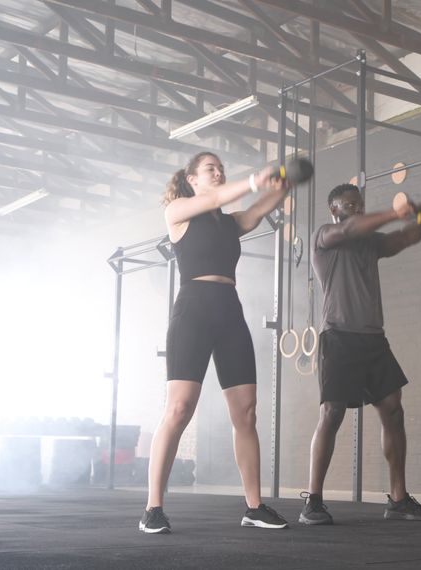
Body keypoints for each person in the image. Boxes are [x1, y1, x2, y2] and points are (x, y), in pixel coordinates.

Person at [140, 152, 291, 534]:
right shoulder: (179, 211)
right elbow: (216, 199)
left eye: (222, 166)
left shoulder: (228, 223)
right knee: (179, 409)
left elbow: (256, 212)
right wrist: (257, 179)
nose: (220, 171)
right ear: (192, 179)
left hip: (229, 311)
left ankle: (254, 507)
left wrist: (284, 183)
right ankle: (152, 508)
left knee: (247, 412)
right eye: (211, 168)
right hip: (193, 311)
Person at [298, 183, 421, 525]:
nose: (356, 209)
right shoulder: (326, 236)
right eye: (349, 205)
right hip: (339, 338)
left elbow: (401, 239)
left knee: (393, 409)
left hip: (374, 340)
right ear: (335, 210)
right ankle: (313, 502)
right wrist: (395, 212)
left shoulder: (369, 242)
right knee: (332, 413)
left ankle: (399, 499)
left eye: (359, 204)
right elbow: (349, 228)